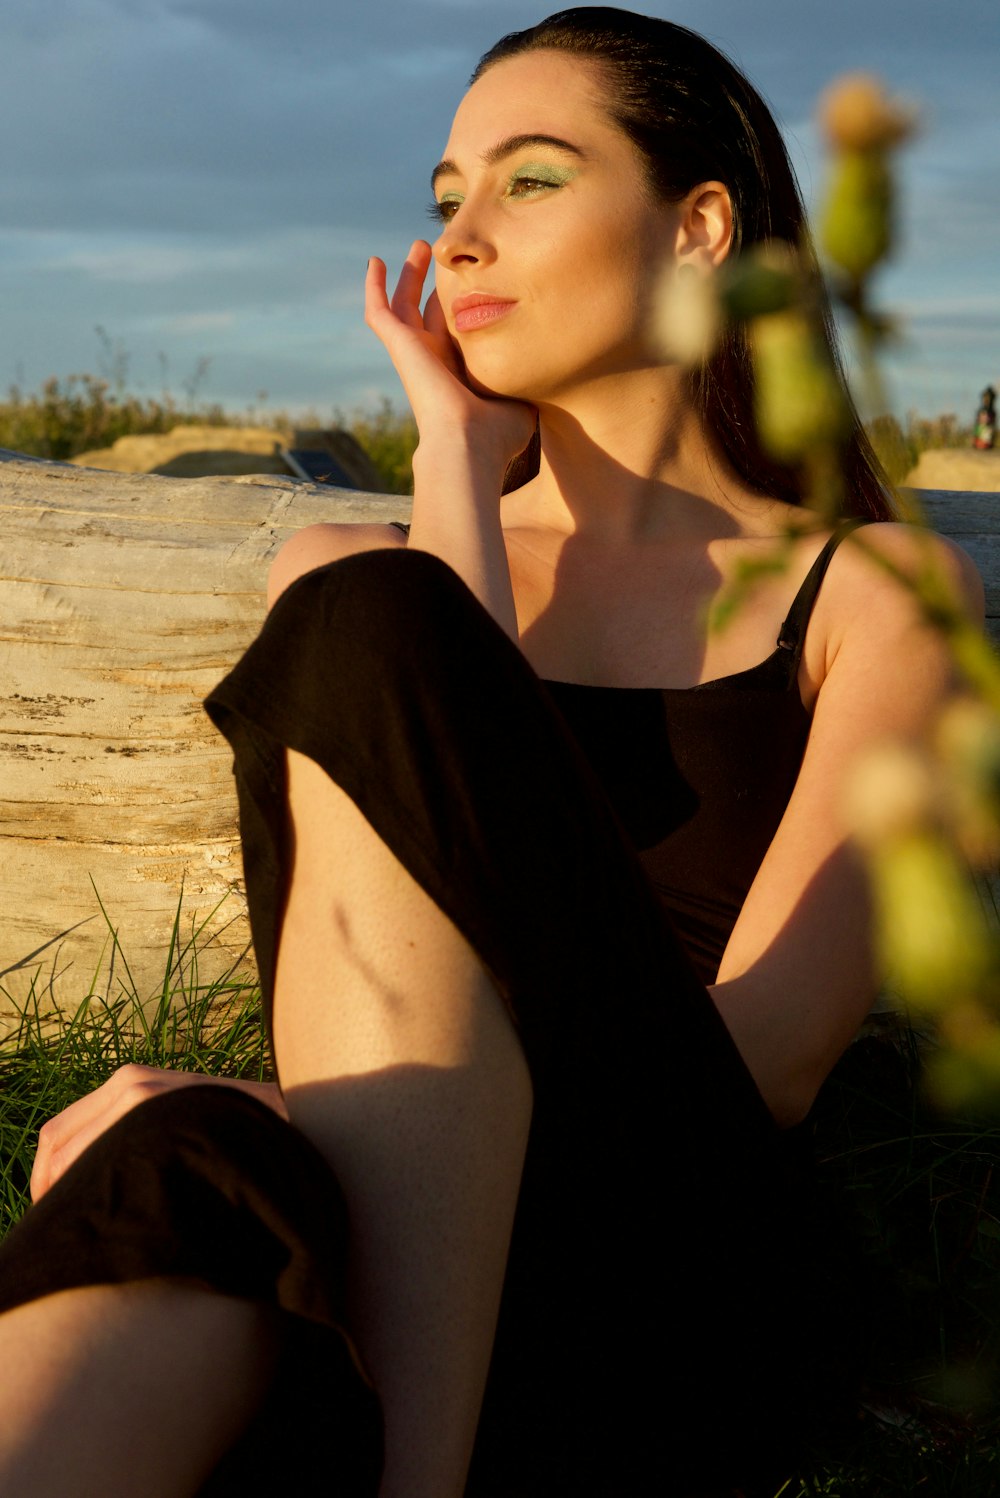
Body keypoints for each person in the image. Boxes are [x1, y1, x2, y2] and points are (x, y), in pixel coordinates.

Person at [0, 8, 985, 1496]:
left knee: (216, 1111)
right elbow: (428, 791)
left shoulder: (870, 594)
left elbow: (770, 1061)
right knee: (177, 1180)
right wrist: (454, 455)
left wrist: (283, 1103)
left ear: (701, 225)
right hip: (428, 1261)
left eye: (528, 180)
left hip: (672, 1254)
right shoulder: (360, 579)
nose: (459, 237)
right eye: (444, 196)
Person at [973, 385, 997, 450]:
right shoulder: (982, 411)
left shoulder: (992, 412)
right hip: (980, 443)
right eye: (985, 397)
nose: (986, 400)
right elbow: (978, 428)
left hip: (987, 443)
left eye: (989, 398)